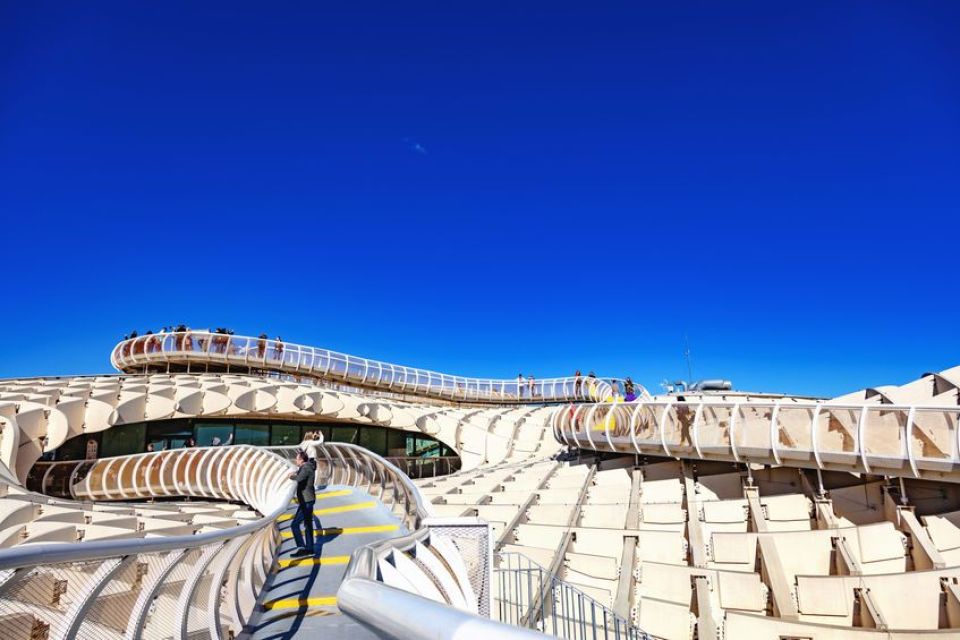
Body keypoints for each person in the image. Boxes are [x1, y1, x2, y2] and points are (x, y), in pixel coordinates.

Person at [288, 449, 317, 557]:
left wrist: (291, 476)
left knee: (294, 524)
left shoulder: (306, 468)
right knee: (308, 525)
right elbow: (301, 474)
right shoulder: (307, 467)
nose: (296, 461)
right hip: (308, 500)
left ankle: (302, 548)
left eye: (297, 459)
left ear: (301, 460)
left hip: (306, 501)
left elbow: (300, 478)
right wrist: (296, 472)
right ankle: (309, 549)